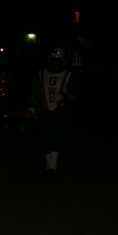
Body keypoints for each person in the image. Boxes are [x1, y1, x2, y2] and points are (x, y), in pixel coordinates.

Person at [33, 48, 74, 176]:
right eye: (53, 61)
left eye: (57, 61)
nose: (54, 64)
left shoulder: (68, 75)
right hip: (45, 108)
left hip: (60, 109)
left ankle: (53, 166)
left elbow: (75, 94)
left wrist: (63, 97)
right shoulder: (41, 74)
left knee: (56, 134)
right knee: (46, 135)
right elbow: (36, 92)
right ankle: (48, 164)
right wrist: (32, 106)